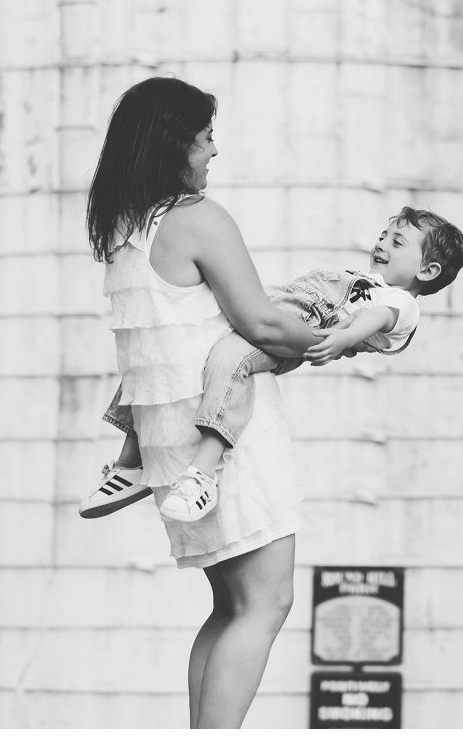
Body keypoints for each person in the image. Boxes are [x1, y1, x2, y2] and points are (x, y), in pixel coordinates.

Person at [84, 76, 324, 728]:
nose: (214, 151)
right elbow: (264, 324)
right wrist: (323, 338)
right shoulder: (198, 220)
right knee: (267, 601)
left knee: (231, 605)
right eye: (206, 135)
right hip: (225, 438)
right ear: (175, 143)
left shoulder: (126, 227)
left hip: (170, 445)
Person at [83, 206, 463, 522]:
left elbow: (379, 318)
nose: (382, 243)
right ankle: (131, 461)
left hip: (301, 326)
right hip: (276, 304)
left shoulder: (402, 303)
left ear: (427, 271)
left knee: (231, 359)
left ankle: (202, 474)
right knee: (172, 338)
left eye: (396, 241)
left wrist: (346, 337)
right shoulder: (364, 279)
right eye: (384, 235)